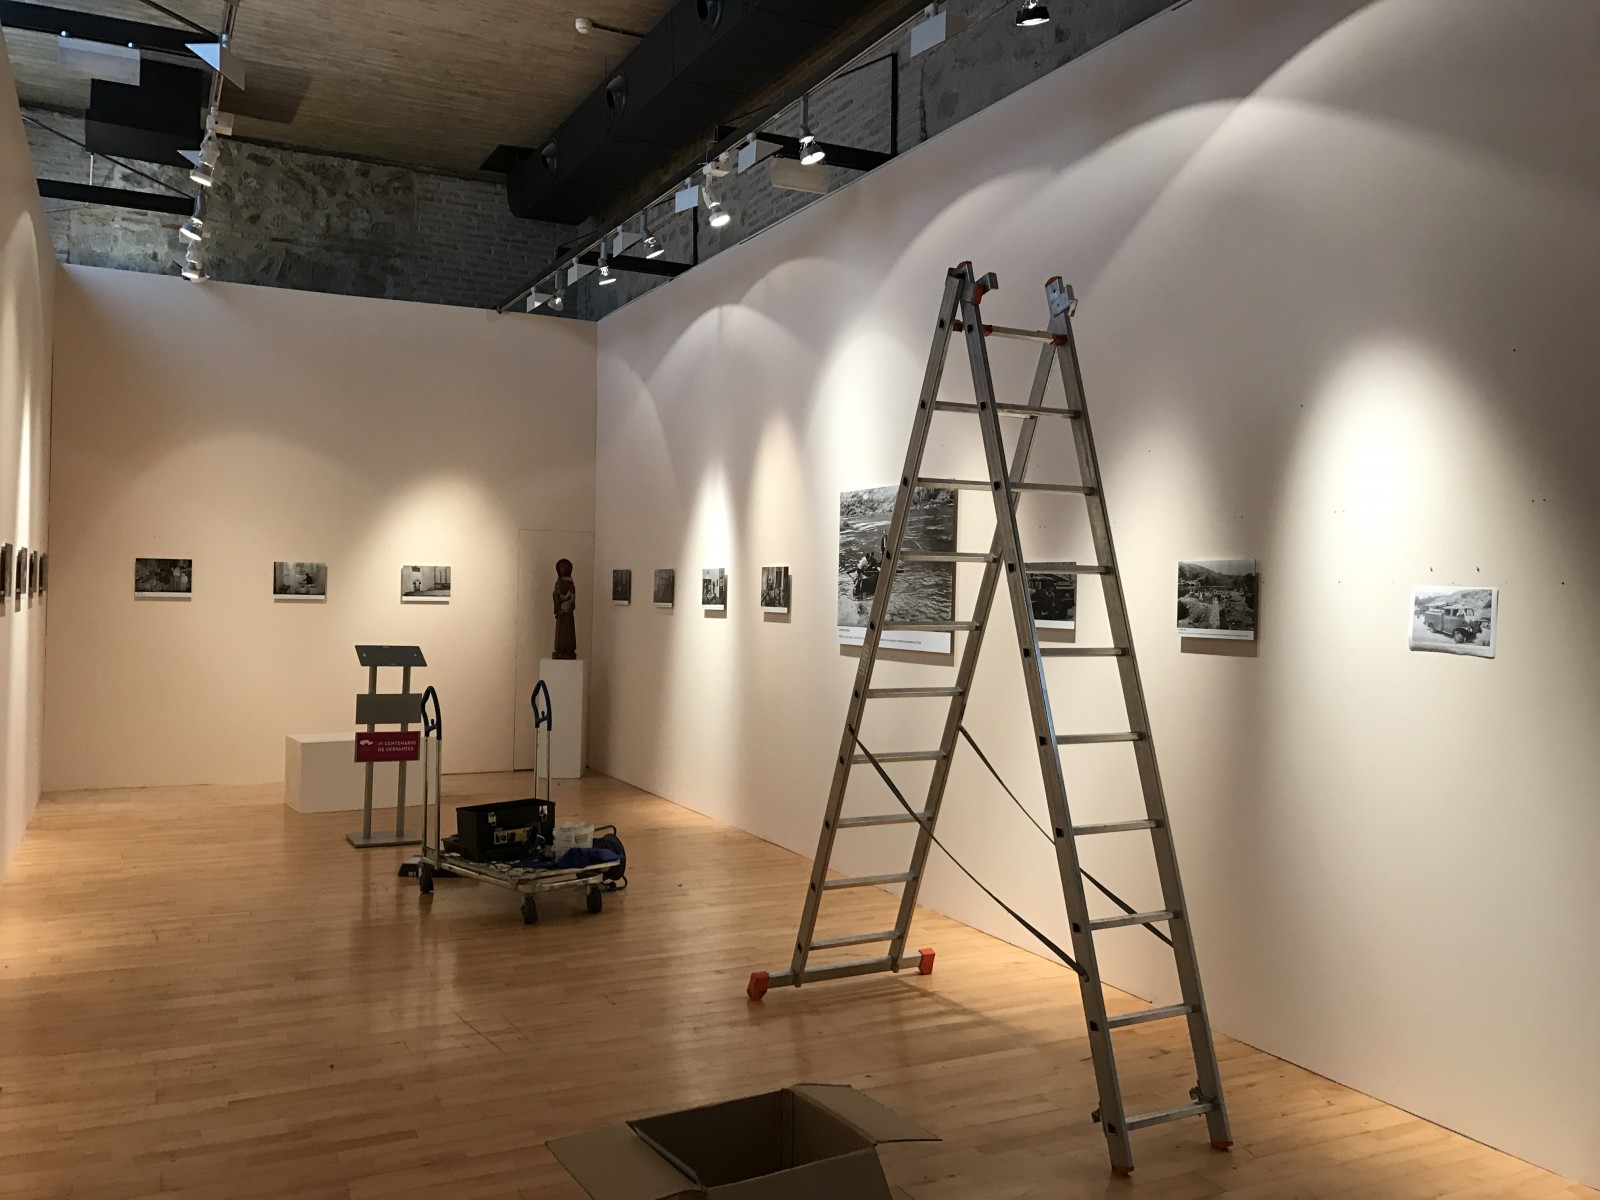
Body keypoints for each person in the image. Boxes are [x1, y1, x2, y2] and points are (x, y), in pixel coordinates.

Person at [552, 559, 578, 659]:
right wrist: (557, 596)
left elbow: (572, 595)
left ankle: (568, 648)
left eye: (565, 567)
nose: (563, 569)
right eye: (561, 567)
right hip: (561, 610)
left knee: (568, 630)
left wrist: (567, 600)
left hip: (567, 610)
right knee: (560, 630)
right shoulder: (559, 581)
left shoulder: (570, 582)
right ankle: (560, 648)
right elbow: (557, 594)